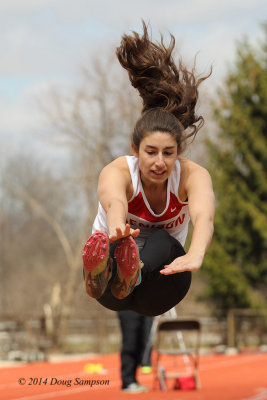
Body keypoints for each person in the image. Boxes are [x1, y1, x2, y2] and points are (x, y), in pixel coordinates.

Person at [82, 22, 215, 317]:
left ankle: (135, 272)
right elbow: (114, 200)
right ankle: (111, 271)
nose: (159, 162)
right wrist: (118, 228)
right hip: (111, 276)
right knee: (122, 264)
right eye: (151, 152)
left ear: (178, 152)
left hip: (163, 278)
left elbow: (204, 216)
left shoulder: (192, 176)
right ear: (135, 149)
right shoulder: (117, 171)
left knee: (160, 242)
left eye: (168, 153)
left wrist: (196, 253)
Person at [117, 310, 153, 393]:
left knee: (141, 342)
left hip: (143, 305)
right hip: (127, 307)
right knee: (130, 342)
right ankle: (128, 382)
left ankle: (133, 380)